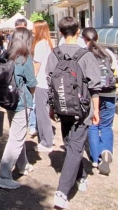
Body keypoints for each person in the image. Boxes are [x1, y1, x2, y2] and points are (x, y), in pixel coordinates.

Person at [47, 16, 101, 209]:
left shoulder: (54, 54)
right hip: (83, 108)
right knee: (74, 146)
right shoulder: (85, 55)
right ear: (78, 32)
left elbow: (50, 83)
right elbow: (95, 86)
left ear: (60, 33)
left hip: (62, 107)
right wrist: (96, 110)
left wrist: (52, 107)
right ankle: (62, 192)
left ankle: (81, 176)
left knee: (71, 143)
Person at [0, 27, 38, 190]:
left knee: (16, 135)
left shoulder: (6, 54)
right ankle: (4, 175)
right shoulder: (26, 58)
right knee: (16, 138)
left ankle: (23, 165)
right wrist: (31, 99)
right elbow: (32, 83)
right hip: (21, 102)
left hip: (8, 100)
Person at [82, 27, 118, 176]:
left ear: (84, 39)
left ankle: (95, 158)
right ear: (97, 37)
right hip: (109, 93)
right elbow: (116, 74)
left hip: (92, 94)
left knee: (92, 125)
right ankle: (106, 151)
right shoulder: (108, 53)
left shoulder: (85, 54)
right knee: (106, 126)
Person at [32, 20, 55, 152]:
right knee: (45, 111)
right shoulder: (49, 44)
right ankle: (48, 138)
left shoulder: (40, 44)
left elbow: (36, 66)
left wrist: (31, 81)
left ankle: (46, 142)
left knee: (42, 113)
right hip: (48, 82)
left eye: (34, 29)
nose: (32, 31)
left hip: (41, 82)